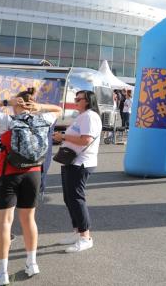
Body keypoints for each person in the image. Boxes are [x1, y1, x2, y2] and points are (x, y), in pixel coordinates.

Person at [0, 88, 61, 285]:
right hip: (33, 173)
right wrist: (40, 107)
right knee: (29, 220)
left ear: (17, 103)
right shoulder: (44, 119)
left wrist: (6, 102)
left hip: (7, 174)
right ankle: (32, 263)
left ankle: (1, 273)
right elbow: (59, 110)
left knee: (4, 223)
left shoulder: (7, 121)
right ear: (32, 104)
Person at [53, 90, 102, 253]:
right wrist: (62, 137)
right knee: (69, 198)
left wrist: (63, 137)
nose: (75, 101)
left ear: (87, 100)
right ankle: (77, 231)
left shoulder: (89, 116)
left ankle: (85, 237)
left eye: (78, 99)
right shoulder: (82, 116)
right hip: (72, 161)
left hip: (81, 163)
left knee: (76, 199)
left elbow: (85, 140)